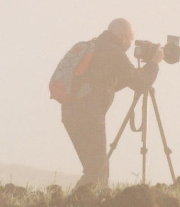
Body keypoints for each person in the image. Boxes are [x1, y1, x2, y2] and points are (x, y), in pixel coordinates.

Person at [61, 18, 164, 190]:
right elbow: (140, 83)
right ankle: (78, 201)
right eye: (131, 40)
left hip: (69, 114)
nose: (131, 46)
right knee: (97, 172)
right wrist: (154, 63)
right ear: (124, 38)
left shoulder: (94, 47)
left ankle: (79, 199)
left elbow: (111, 81)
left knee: (94, 169)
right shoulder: (114, 52)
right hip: (90, 118)